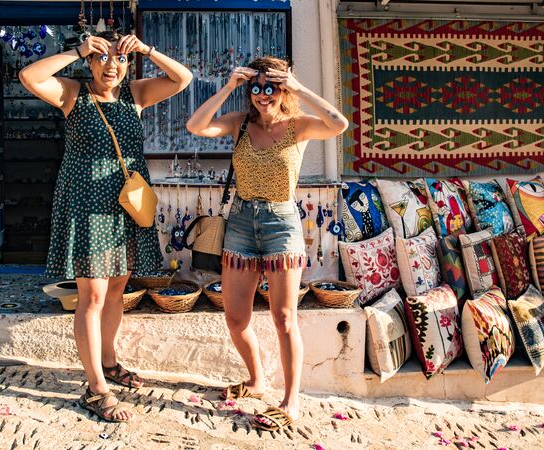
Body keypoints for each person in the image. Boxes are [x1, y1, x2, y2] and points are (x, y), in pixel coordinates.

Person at [19, 30, 192, 422]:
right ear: (90, 62)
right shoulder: (72, 93)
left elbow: (184, 79)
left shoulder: (136, 95)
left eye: (120, 58)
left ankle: (110, 362)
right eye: (101, 58)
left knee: (116, 291)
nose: (111, 66)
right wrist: (78, 49)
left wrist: (148, 49)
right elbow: (29, 77)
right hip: (88, 207)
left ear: (128, 63)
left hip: (125, 207)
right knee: (92, 298)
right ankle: (96, 388)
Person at [186, 56, 348, 431]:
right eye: (255, 88)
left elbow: (338, 124)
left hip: (281, 224)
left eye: (271, 87)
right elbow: (196, 125)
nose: (262, 95)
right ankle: (257, 380)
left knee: (284, 318)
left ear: (282, 89)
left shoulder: (298, 126)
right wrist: (228, 87)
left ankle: (291, 401)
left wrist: (298, 87)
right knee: (236, 316)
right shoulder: (240, 124)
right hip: (241, 223)